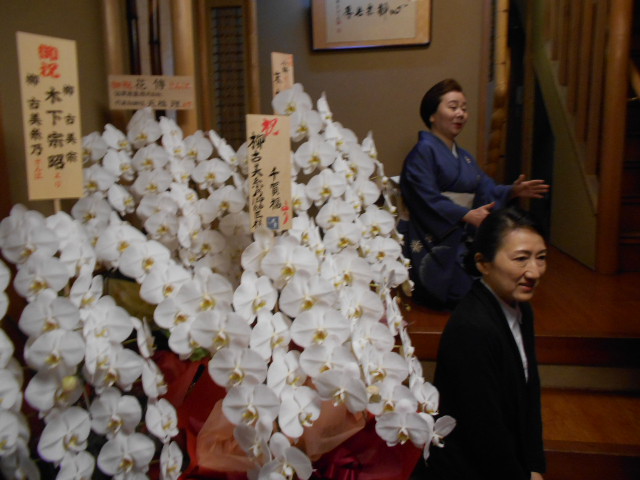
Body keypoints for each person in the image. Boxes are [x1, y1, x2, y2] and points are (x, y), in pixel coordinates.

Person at [399, 78, 549, 309]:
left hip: (460, 231)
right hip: (437, 234)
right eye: (453, 107)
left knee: (485, 282)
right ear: (432, 115)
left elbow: (485, 188)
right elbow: (425, 197)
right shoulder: (423, 152)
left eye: (464, 108)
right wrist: (465, 215)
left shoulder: (465, 156)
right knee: (460, 291)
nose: (460, 114)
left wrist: (512, 190)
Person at [424, 206, 547, 480]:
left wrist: (535, 464)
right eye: (521, 259)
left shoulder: (521, 308)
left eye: (541, 258)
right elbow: (483, 427)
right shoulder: (472, 327)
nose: (534, 272)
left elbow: (529, 397)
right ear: (483, 263)